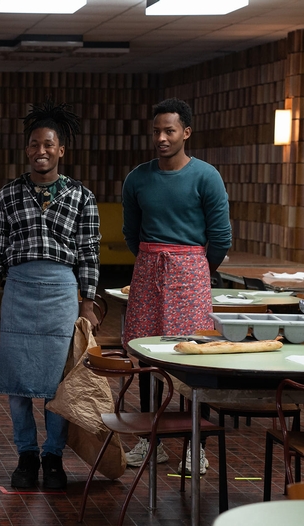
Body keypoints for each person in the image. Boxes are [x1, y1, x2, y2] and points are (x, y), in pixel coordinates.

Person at [0, 99, 100, 490]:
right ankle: (26, 455)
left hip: (62, 294)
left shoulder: (81, 196)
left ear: (61, 150)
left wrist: (88, 303)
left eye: (48, 144)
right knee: (17, 381)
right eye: (34, 144)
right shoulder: (8, 194)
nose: (41, 151)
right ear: (27, 149)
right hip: (18, 290)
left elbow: (89, 252)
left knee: (58, 382)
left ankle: (52, 457)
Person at [121, 97, 231, 475]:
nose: (161, 138)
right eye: (156, 131)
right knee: (146, 355)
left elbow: (221, 237)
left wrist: (196, 269)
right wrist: (152, 260)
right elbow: (131, 233)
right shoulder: (137, 178)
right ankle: (149, 441)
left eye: (169, 131)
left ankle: (195, 446)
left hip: (191, 272)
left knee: (192, 359)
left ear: (186, 132)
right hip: (148, 269)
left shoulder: (206, 176)